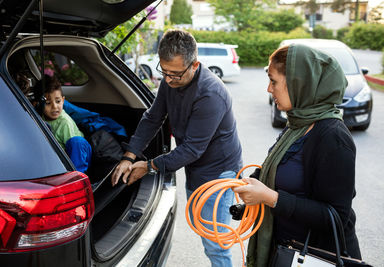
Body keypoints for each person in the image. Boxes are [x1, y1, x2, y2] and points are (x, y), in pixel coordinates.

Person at [111, 29, 243, 267]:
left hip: (218, 171)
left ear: (195, 64)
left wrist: (149, 166)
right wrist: (129, 157)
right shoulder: (170, 81)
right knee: (200, 224)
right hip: (196, 166)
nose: (169, 80)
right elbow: (153, 118)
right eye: (165, 72)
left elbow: (192, 149)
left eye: (176, 74)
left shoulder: (210, 94)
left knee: (215, 242)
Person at [232, 44, 362, 266]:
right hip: (284, 251)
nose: (268, 89)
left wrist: (270, 198)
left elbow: (336, 218)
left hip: (314, 257)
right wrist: (253, 192)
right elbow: (280, 176)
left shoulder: (333, 136)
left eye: (273, 81)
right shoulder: (297, 124)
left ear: (299, 83)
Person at [42, 75, 92, 173]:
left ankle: (76, 176)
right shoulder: (41, 118)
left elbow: (74, 151)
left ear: (63, 100)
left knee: (76, 142)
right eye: (48, 103)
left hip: (78, 157)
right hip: (58, 156)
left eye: (58, 101)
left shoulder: (65, 122)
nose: (54, 107)